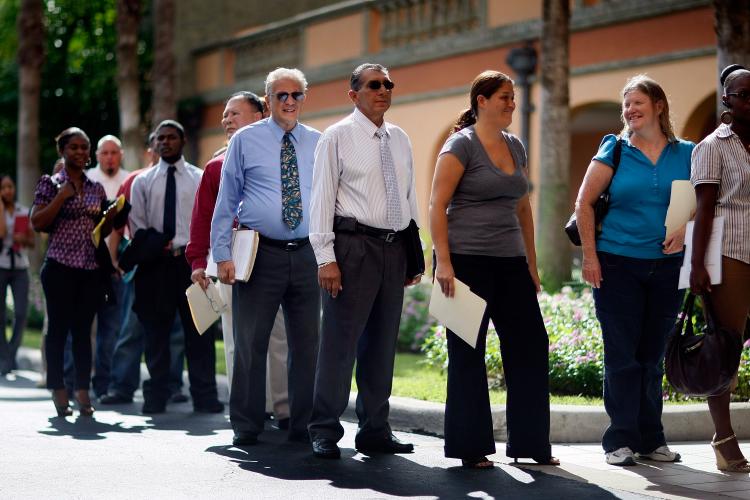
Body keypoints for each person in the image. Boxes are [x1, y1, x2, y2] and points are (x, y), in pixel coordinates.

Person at [430, 70, 556, 469]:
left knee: (531, 346)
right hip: (464, 262)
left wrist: (532, 265)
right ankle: (471, 448)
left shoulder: (515, 146)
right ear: (481, 101)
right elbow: (437, 205)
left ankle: (531, 444)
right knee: (467, 352)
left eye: (513, 96)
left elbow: (523, 208)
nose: (511, 103)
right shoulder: (460, 145)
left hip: (510, 263)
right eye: (504, 96)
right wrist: (444, 263)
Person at [577, 75, 693, 466]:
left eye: (637, 102)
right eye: (626, 105)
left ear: (659, 105)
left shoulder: (688, 152)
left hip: (667, 267)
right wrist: (590, 257)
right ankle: (620, 440)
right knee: (622, 354)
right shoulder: (615, 148)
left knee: (652, 355)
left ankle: (651, 439)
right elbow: (584, 203)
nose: (629, 110)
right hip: (616, 263)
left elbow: (706, 201)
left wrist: (684, 229)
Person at [308, 63, 420, 459]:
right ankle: (323, 429)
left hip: (394, 249)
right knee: (340, 344)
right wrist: (326, 258)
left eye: (388, 83)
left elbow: (408, 196)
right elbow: (320, 199)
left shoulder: (401, 138)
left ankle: (375, 429)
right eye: (374, 85)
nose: (384, 90)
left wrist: (413, 253)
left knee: (382, 345)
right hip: (352, 249)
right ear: (353, 94)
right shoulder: (336, 137)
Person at [211, 68, 320, 446]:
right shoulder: (245, 140)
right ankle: (246, 423)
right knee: (250, 343)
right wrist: (222, 254)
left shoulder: (318, 142)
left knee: (307, 345)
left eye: (296, 95)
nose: (289, 101)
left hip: (307, 254)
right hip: (260, 253)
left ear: (304, 98)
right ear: (268, 99)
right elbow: (226, 200)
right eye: (281, 95)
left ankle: (303, 424)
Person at [186, 91, 291, 427]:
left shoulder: (284, 155)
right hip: (232, 255)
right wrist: (197, 262)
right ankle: (248, 409)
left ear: (259, 115)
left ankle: (285, 407)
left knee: (280, 333)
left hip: (278, 252)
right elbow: (202, 216)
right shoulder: (216, 164)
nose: (226, 120)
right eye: (224, 115)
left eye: (234, 113)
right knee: (236, 336)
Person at [130, 120, 222, 415]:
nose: (165, 142)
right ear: (154, 144)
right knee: (156, 336)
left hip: (192, 264)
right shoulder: (142, 182)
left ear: (182, 141)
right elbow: (138, 228)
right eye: (160, 138)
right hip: (156, 267)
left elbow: (209, 219)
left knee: (201, 332)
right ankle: (156, 397)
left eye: (171, 137)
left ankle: (205, 397)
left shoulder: (198, 177)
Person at [31, 127, 120, 417]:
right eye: (74, 147)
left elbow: (100, 232)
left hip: (89, 270)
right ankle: (58, 388)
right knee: (57, 331)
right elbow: (37, 222)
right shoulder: (50, 183)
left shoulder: (96, 188)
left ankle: (82, 389)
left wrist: (109, 219)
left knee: (83, 332)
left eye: (84, 147)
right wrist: (62, 197)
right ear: (62, 151)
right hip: (59, 268)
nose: (80, 152)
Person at [689, 64, 750, 473]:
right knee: (724, 348)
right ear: (726, 98)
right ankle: (724, 439)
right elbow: (704, 210)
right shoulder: (713, 145)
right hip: (731, 254)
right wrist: (697, 266)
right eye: (743, 94)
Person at [98, 133, 187, 405]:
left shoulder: (186, 178)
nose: (163, 148)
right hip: (144, 267)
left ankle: (172, 385)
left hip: (175, 265)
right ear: (151, 151)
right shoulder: (135, 180)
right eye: (158, 144)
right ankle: (121, 386)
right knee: (132, 326)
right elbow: (117, 225)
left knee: (175, 329)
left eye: (170, 141)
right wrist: (114, 261)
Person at [85, 135, 130, 398]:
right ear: (98, 155)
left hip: (116, 265)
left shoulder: (128, 179)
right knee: (80, 326)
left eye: (114, 152)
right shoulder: (88, 180)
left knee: (111, 328)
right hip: (86, 262)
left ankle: (104, 384)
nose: (110, 157)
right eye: (105, 152)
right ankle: (73, 382)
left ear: (121, 154)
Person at [0, 175, 34, 376]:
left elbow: (32, 242)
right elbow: (2, 234)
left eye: (10, 187)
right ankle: (5, 357)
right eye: (3, 188)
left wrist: (24, 239)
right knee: (0, 314)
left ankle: (10, 354)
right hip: (1, 265)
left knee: (21, 313)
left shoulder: (23, 211)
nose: (7, 191)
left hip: (20, 265)